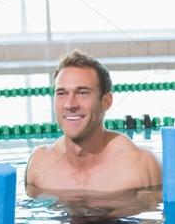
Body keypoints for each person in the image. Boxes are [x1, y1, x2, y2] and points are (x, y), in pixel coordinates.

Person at [25, 50, 162, 194]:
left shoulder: (140, 166)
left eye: (82, 92)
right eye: (61, 93)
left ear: (106, 102)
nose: (70, 104)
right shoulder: (39, 164)